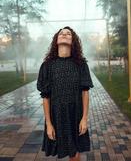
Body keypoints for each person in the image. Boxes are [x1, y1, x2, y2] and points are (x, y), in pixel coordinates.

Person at [37, 26, 94, 161]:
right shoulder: (47, 66)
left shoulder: (81, 64)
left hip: (76, 114)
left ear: (73, 40)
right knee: (64, 150)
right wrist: (49, 124)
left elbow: (85, 92)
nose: (64, 34)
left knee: (74, 154)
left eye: (68, 34)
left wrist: (84, 118)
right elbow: (45, 96)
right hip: (56, 116)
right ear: (56, 40)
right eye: (61, 33)